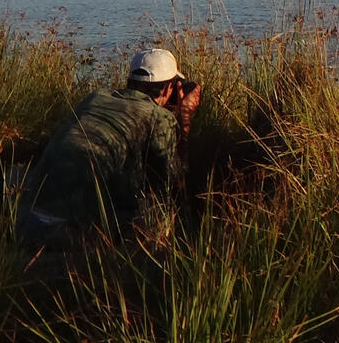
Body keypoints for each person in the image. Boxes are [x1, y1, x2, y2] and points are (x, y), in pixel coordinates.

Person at [17, 45, 202, 248]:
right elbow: (175, 181)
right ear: (170, 88)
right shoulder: (158, 116)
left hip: (26, 217)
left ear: (130, 82)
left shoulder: (95, 97)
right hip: (74, 230)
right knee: (157, 213)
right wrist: (183, 117)